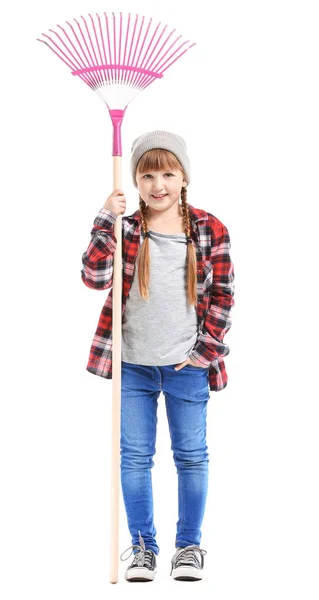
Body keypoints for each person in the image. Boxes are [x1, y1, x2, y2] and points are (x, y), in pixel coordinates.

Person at [81, 130, 235, 582]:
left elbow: (223, 297)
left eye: (168, 172)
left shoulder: (209, 229)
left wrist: (203, 352)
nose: (158, 184)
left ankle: (188, 547)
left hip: (188, 366)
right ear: (136, 180)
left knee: (190, 455)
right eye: (147, 175)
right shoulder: (126, 228)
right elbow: (93, 276)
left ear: (184, 177)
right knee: (134, 456)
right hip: (133, 365)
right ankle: (143, 547)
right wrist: (104, 219)